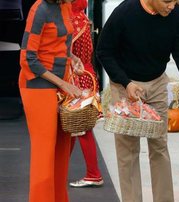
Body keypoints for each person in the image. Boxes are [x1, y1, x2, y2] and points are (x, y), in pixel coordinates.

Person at [96, 0, 179, 201]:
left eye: (175, 1)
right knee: (128, 151)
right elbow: (104, 51)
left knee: (159, 147)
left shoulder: (175, 15)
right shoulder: (124, 12)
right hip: (125, 86)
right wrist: (125, 82)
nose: (171, 5)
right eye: (167, 1)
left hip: (157, 82)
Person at [19, 0, 84, 201]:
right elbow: (28, 59)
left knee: (63, 152)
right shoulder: (40, 9)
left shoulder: (64, 5)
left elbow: (58, 45)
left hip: (60, 83)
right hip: (37, 87)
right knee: (44, 154)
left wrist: (73, 58)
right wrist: (63, 84)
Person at [67, 0, 104, 188]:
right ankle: (66, 169)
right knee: (76, 129)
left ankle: (94, 174)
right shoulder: (83, 18)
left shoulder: (70, 21)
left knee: (79, 129)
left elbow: (65, 54)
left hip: (77, 78)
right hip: (88, 75)